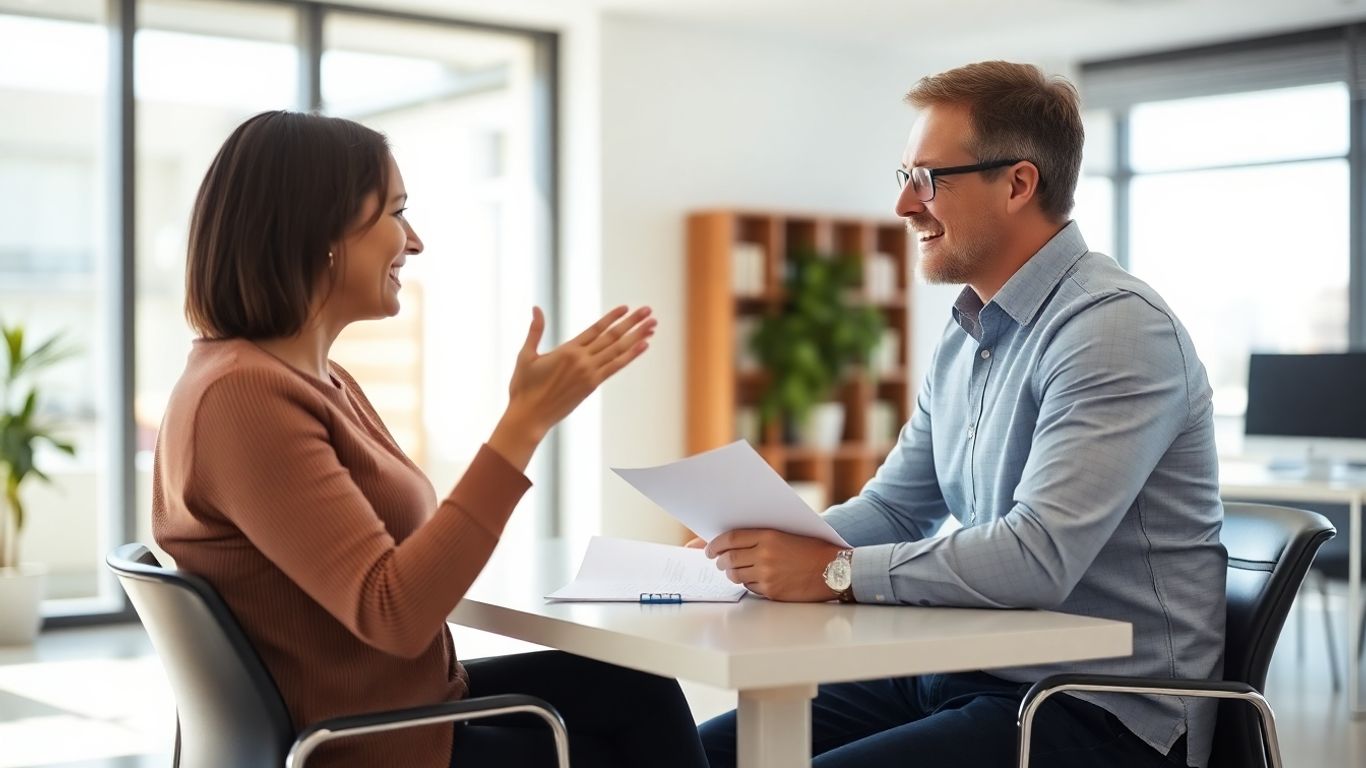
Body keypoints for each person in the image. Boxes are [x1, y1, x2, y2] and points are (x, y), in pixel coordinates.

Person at [695, 61, 1225, 768]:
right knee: (688, 752)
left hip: (1093, 708)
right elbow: (896, 508)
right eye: (904, 177)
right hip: (969, 673)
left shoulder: (1114, 329)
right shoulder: (970, 328)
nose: (905, 207)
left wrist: (834, 573)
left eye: (929, 180)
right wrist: (755, 554)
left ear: (1018, 183)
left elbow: (1037, 558)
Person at [152, 110, 709, 768]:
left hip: (400, 709)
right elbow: (391, 612)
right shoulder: (244, 399)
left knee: (637, 690)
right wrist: (522, 424)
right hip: (375, 746)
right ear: (320, 231)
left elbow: (391, 561)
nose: (413, 242)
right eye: (395, 212)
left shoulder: (314, 380)